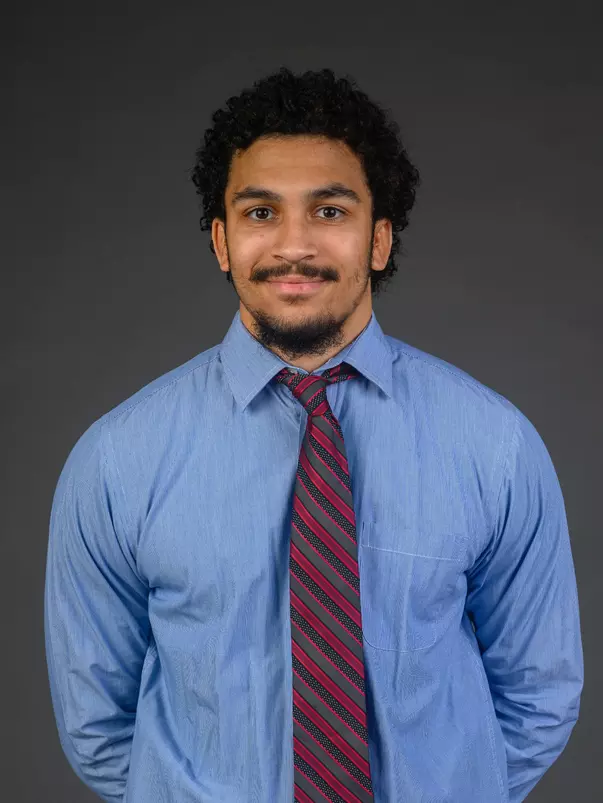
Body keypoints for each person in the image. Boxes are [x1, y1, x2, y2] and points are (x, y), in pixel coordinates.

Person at [44, 67, 583, 803]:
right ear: (221, 241)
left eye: (329, 211)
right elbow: (94, 721)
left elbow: (540, 694)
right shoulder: (115, 461)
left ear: (379, 239)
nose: (293, 245)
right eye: (260, 213)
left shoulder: (495, 445)